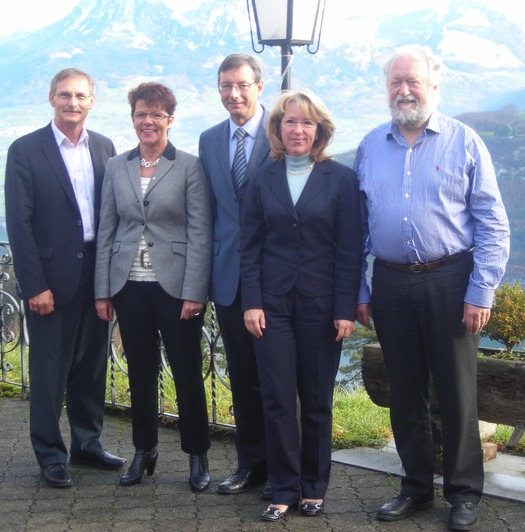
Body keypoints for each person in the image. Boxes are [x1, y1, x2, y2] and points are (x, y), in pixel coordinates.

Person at [354, 45, 510, 531]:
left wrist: (480, 291)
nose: (404, 91)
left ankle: (463, 493)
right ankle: (416, 488)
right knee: (405, 393)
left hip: (451, 280)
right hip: (391, 283)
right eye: (396, 82)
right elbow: (358, 227)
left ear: (434, 86)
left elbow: (493, 223)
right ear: (387, 89)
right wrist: (362, 289)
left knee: (457, 393)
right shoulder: (370, 145)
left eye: (413, 82)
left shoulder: (464, 142)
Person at [240, 91, 362, 521]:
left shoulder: (341, 181)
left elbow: (350, 251)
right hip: (271, 306)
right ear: (278, 129)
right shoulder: (262, 178)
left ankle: (314, 487)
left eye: (307, 123)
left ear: (320, 131)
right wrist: (251, 302)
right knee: (276, 399)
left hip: (321, 305)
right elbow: (249, 246)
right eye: (290, 122)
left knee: (315, 400)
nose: (298, 130)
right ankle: (283, 486)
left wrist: (345, 309)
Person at [4, 68, 126, 489]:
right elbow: (19, 225)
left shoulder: (106, 147)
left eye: (80, 95)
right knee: (50, 371)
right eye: (64, 95)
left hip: (96, 274)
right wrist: (34, 285)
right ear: (51, 98)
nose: (72, 102)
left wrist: (111, 279)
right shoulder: (25, 150)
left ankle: (88, 444)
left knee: (91, 367)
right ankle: (50, 455)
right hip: (51, 280)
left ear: (92, 100)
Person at [94, 82, 212, 491]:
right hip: (128, 286)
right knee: (140, 374)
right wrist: (102, 291)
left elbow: (200, 232)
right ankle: (143, 452)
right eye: (141, 114)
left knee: (186, 373)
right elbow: (107, 230)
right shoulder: (116, 166)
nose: (148, 121)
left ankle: (198, 456)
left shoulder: (189, 166)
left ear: (170, 120)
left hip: (176, 288)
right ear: (133, 119)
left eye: (157, 114)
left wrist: (196, 290)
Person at [198, 53, 271, 498]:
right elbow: (206, 214)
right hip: (228, 279)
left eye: (242, 85)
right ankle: (250, 466)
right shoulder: (209, 140)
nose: (233, 94)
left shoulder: (282, 131)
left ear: (259, 87)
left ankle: (288, 469)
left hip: (275, 279)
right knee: (242, 378)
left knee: (280, 378)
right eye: (226, 86)